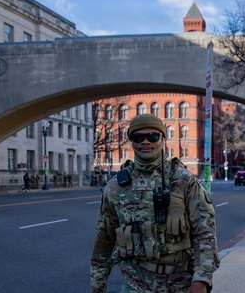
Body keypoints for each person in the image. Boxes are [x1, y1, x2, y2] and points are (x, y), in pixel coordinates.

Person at [90, 113, 219, 293]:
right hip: (135, 282)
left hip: (180, 283)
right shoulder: (115, 187)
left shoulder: (184, 180)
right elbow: (104, 239)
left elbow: (205, 232)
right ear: (131, 141)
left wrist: (202, 279)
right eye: (138, 137)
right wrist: (98, 286)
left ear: (162, 139)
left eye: (153, 136)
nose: (145, 142)